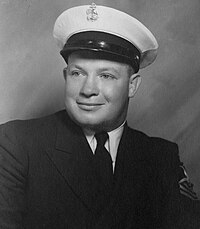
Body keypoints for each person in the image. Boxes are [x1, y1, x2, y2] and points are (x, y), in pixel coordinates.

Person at [0, 3, 199, 229]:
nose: (88, 89)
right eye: (77, 73)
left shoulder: (161, 158)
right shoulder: (16, 143)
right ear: (66, 76)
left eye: (106, 75)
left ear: (132, 86)